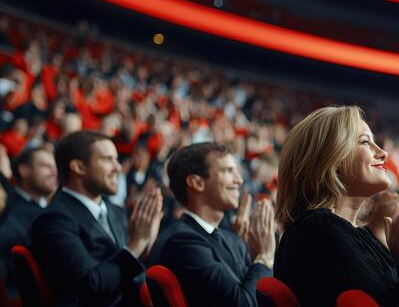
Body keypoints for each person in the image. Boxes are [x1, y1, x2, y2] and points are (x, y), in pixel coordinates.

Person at [274, 106, 399, 307]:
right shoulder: (319, 229)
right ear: (333, 157)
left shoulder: (342, 231)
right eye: (366, 142)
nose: (382, 152)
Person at [30, 131, 163, 306]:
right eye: (108, 159)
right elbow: (90, 285)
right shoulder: (53, 220)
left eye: (116, 159)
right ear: (79, 167)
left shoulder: (116, 211)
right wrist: (137, 244)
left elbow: (128, 266)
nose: (118, 168)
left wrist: (145, 247)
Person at [148, 142, 275, 307]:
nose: (239, 180)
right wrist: (264, 257)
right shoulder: (182, 242)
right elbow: (241, 304)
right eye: (228, 171)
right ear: (197, 182)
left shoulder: (232, 239)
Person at [0, 145, 57, 289]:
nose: (54, 172)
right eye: (46, 166)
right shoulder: (10, 210)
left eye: (54, 167)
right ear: (24, 170)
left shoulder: (50, 208)